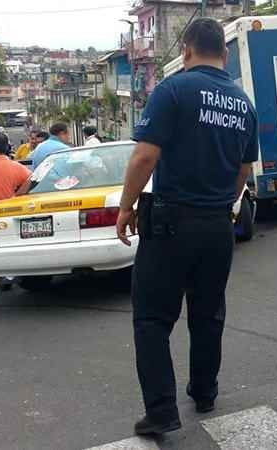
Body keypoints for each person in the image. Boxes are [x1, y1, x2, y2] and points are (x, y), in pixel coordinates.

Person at [116, 17, 258, 436]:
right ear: (225, 54)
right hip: (218, 225)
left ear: (187, 51)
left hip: (171, 221)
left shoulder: (173, 90)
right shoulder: (243, 104)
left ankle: (161, 411)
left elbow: (144, 157)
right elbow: (243, 171)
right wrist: (222, 206)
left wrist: (126, 208)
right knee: (208, 312)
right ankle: (205, 390)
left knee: (152, 320)